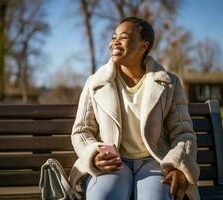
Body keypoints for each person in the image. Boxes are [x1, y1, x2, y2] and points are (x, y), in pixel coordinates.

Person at [69, 16, 200, 200]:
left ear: (143, 46)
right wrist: (94, 155)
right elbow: (81, 131)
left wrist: (179, 166)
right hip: (113, 163)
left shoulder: (169, 83)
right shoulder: (95, 83)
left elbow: (183, 133)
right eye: (114, 37)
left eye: (123, 37)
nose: (115, 42)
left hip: (154, 163)